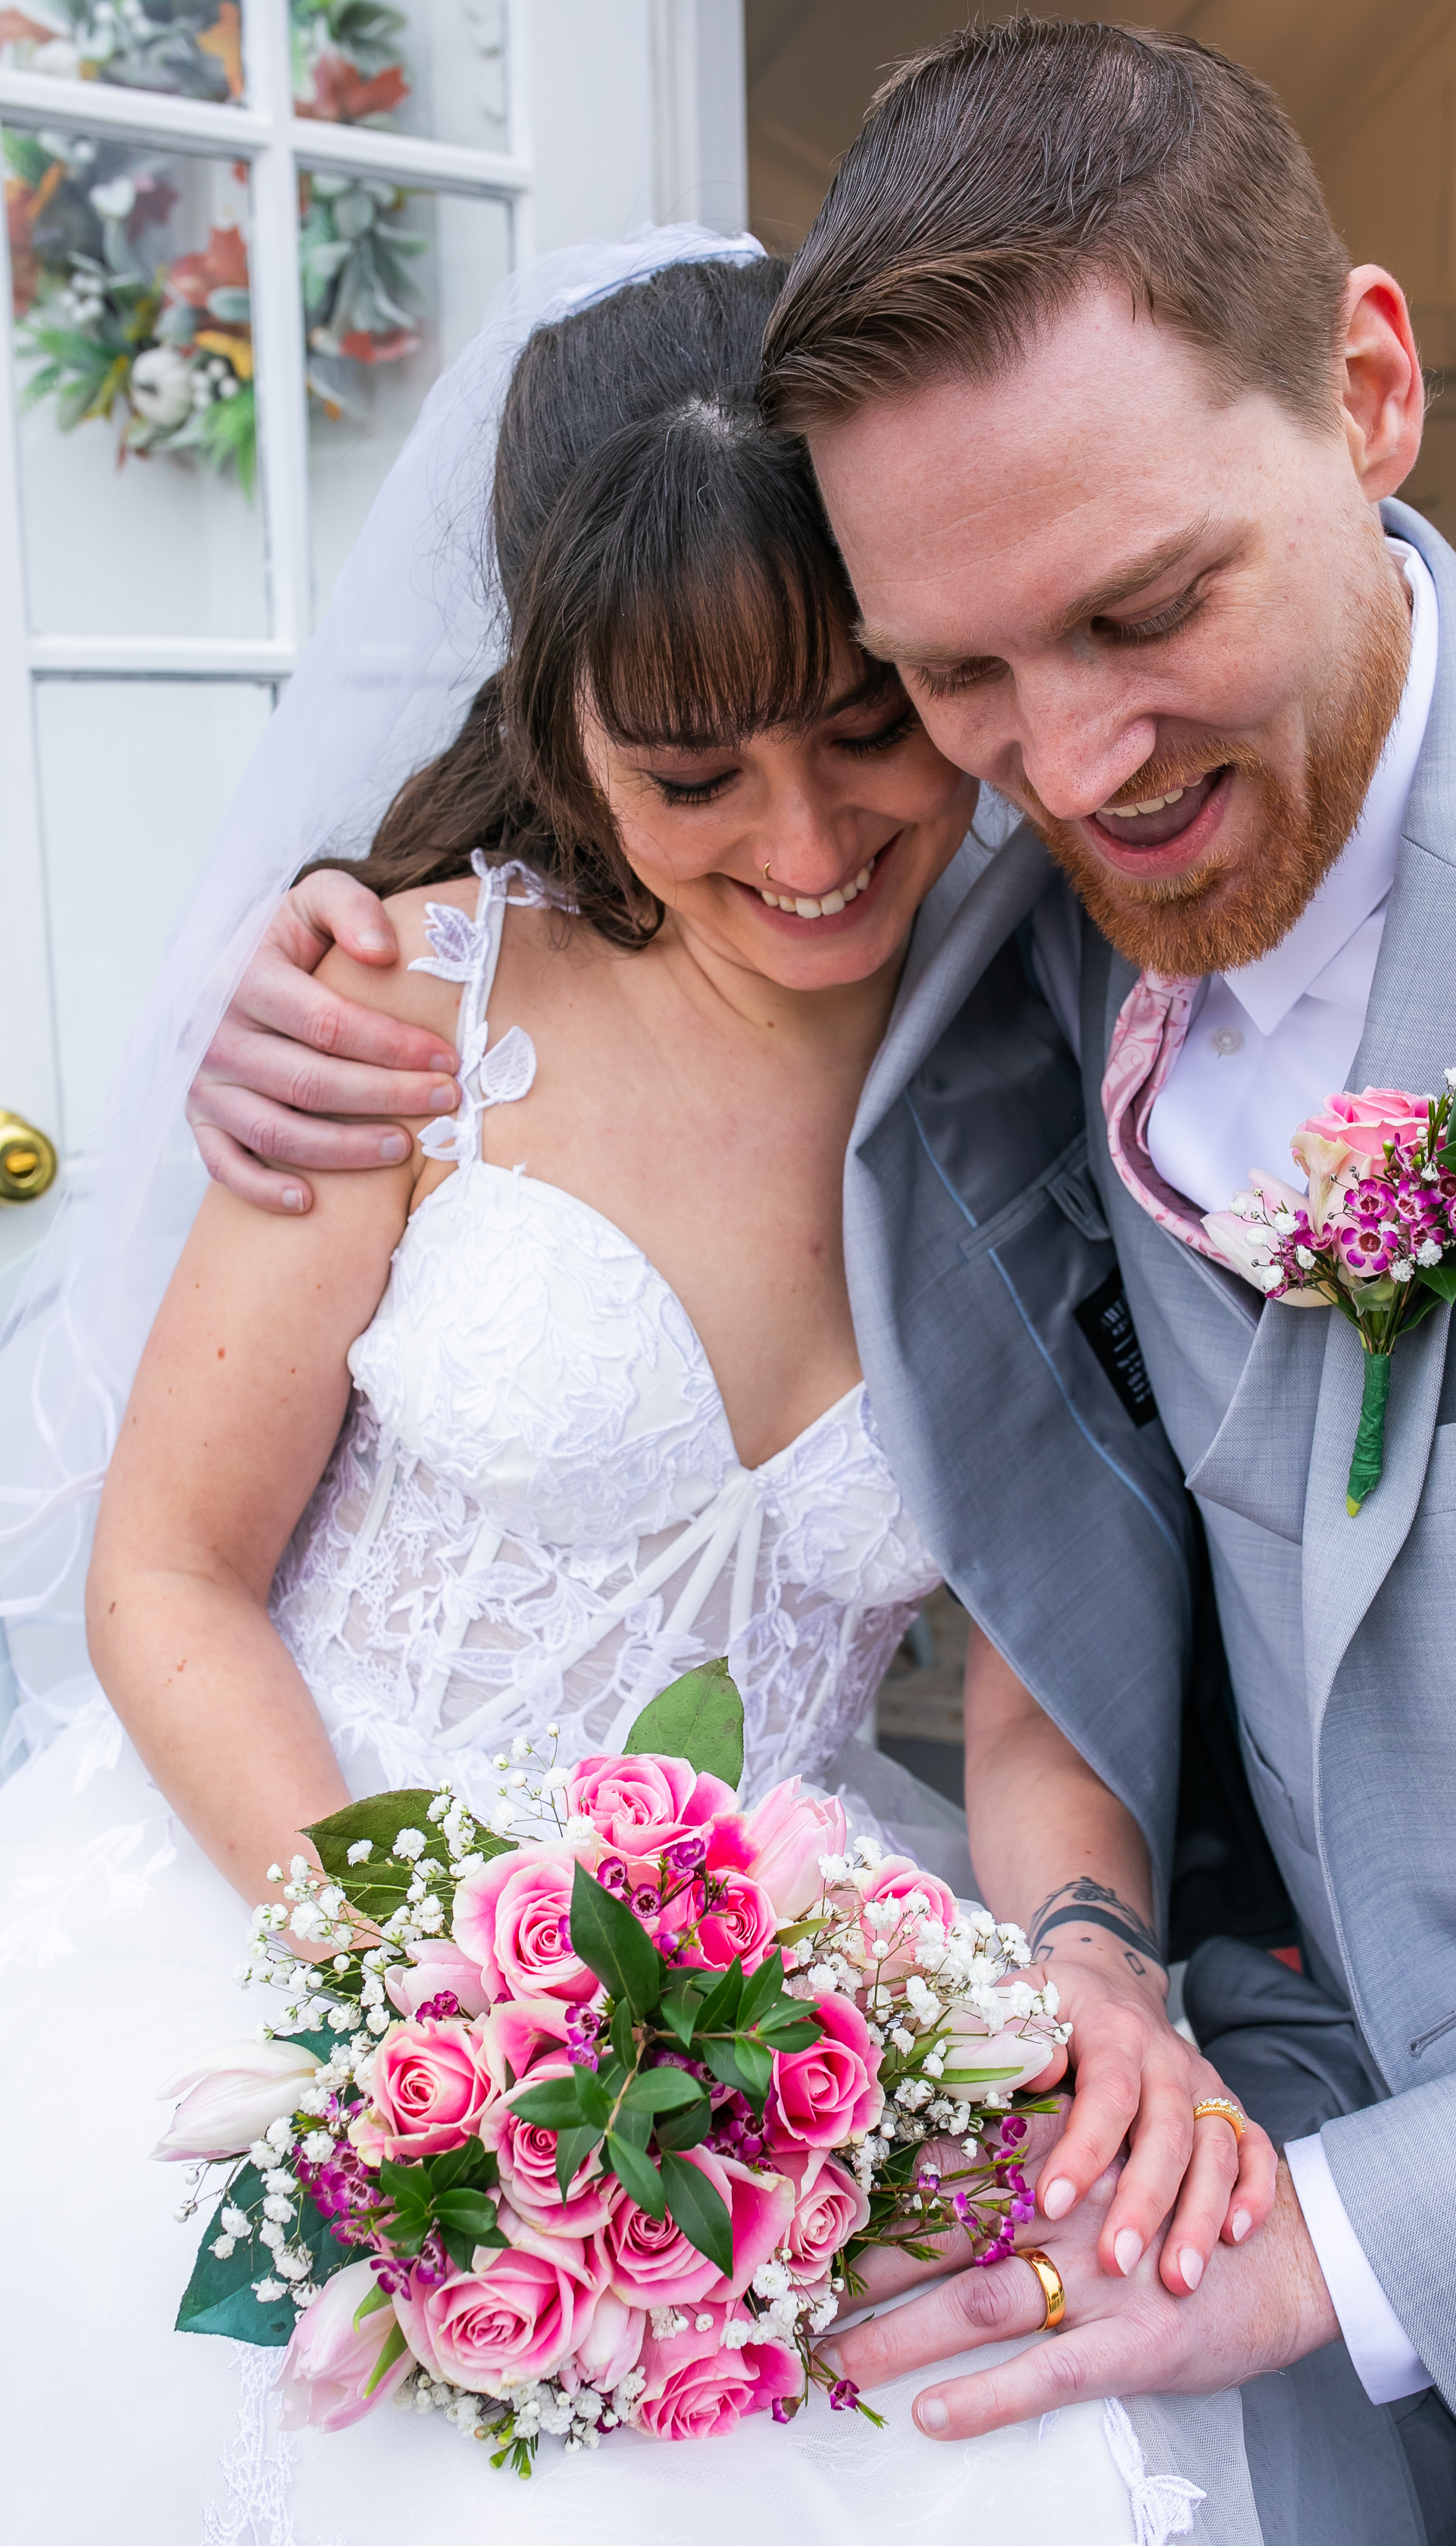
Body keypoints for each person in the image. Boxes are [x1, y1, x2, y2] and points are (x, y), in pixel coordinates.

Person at [195, 24, 1456, 2546]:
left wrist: (1349, 2245)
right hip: (1172, 2147)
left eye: (1144, 609)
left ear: (1371, 387)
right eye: (962, 672)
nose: (1080, 762)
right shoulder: (959, 900)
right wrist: (1094, 1948)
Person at [0, 237, 1278, 2543]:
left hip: (781, 2017)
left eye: (863, 725)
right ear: (566, 725)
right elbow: (169, 1574)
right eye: (693, 771)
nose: (803, 849)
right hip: (284, 1901)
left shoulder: (1059, 1051)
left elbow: (1025, 1673)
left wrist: (1097, 1971)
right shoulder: (403, 1009)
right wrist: (429, 2014)